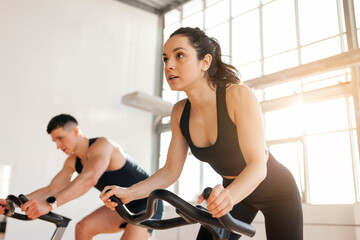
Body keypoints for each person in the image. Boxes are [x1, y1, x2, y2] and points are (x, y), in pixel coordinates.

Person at [100, 27, 303, 240]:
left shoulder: (238, 96)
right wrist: (129, 193)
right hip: (232, 191)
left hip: (277, 190)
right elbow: (170, 171)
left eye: (180, 56)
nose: (169, 65)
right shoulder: (180, 113)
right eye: (165, 58)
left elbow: (257, 167)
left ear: (205, 62)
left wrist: (228, 198)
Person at [0, 114, 163, 240]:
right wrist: (15, 203)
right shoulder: (73, 161)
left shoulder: (102, 145)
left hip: (147, 202)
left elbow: (89, 178)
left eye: (60, 138)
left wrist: (49, 205)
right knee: (83, 228)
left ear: (76, 131)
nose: (58, 145)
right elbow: (52, 188)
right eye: (54, 141)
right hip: (121, 204)